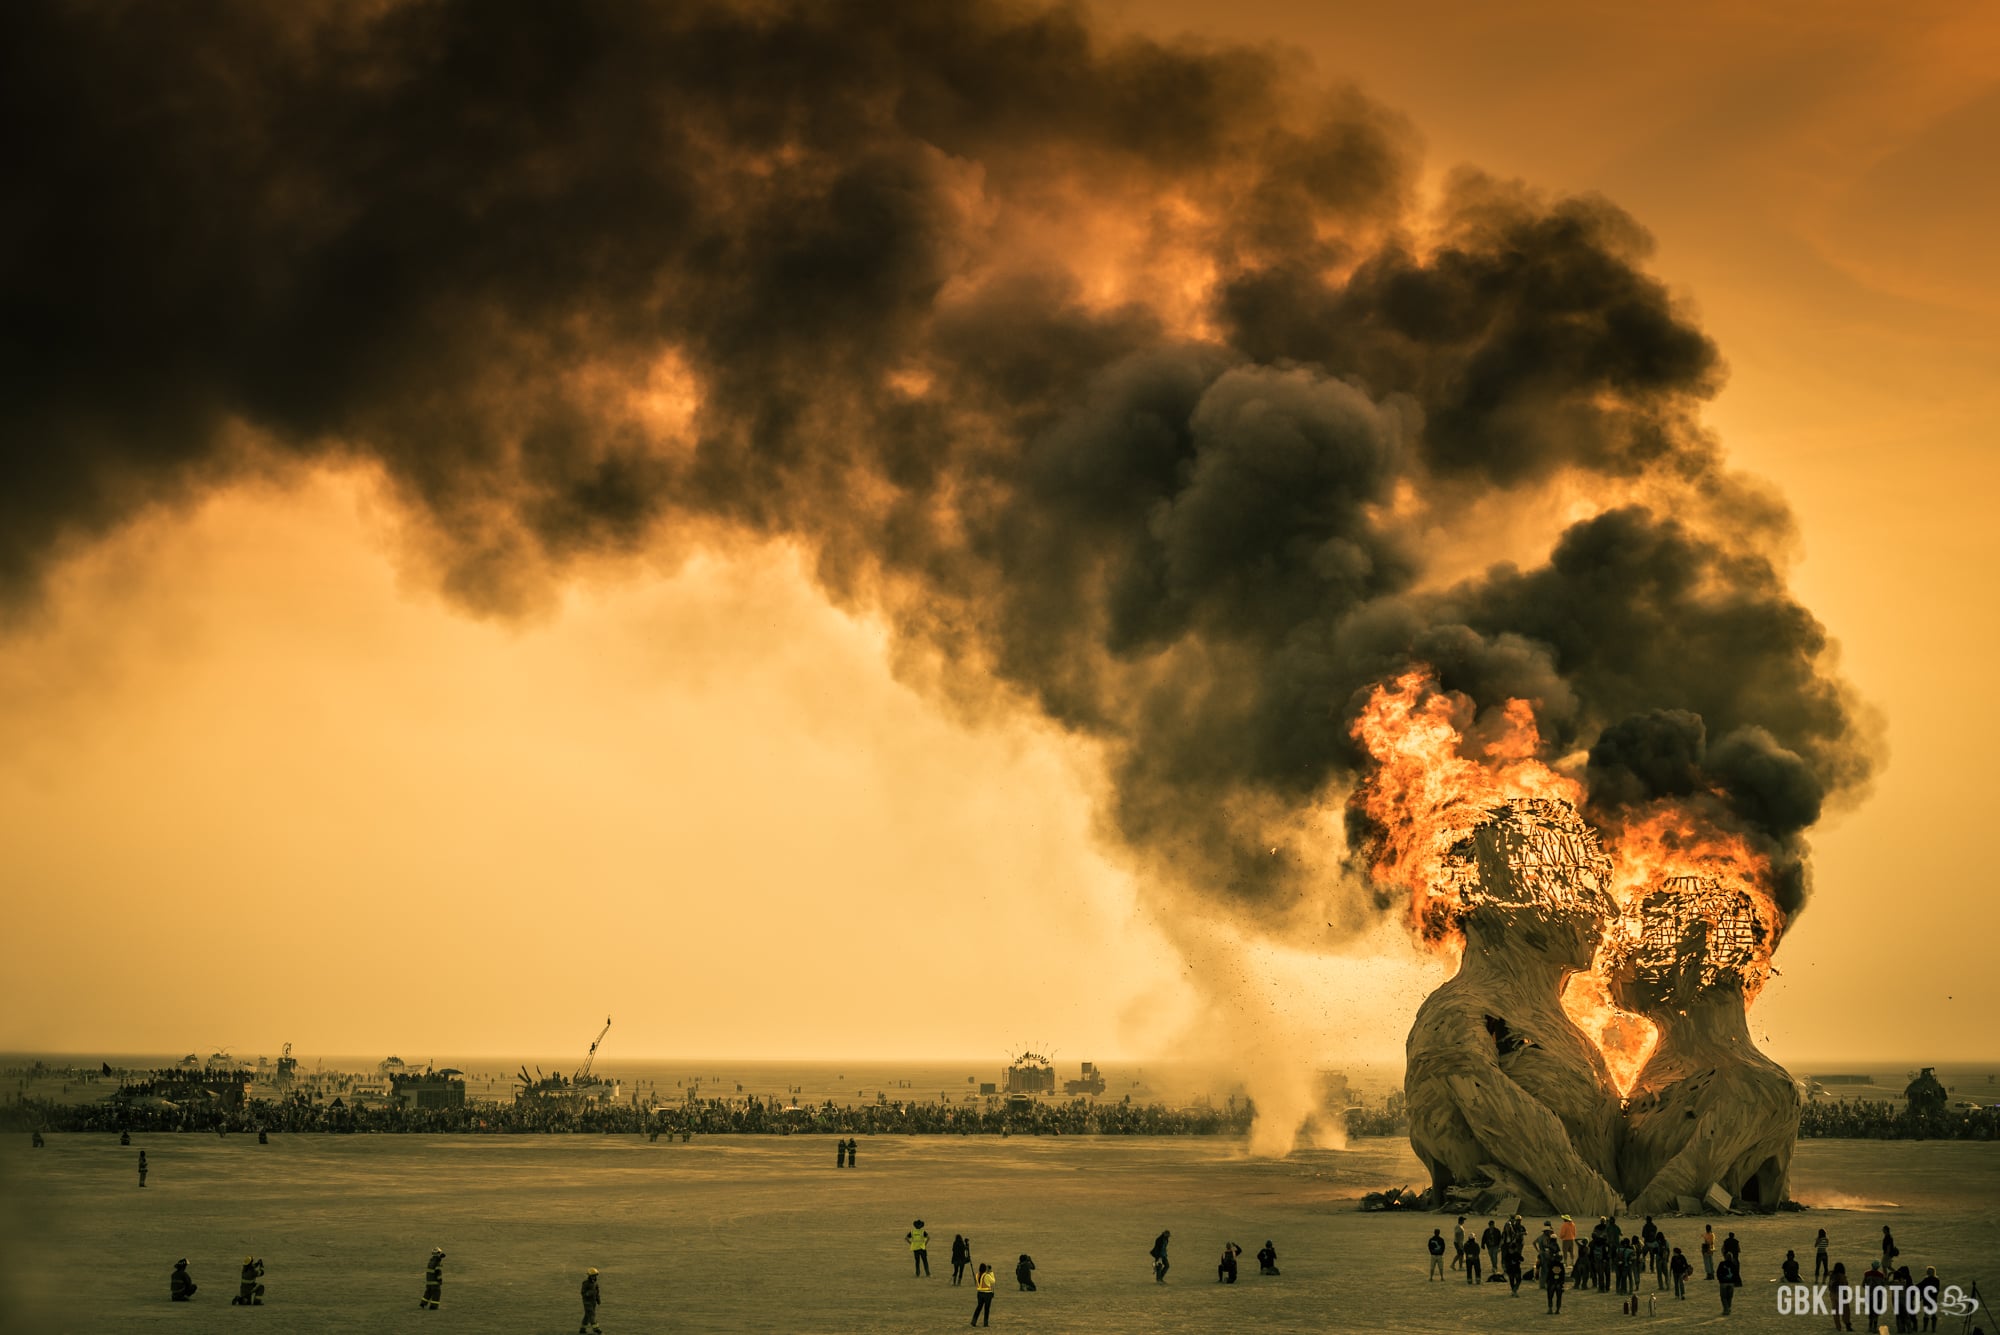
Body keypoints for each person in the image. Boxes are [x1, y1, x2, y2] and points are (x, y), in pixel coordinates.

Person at [578, 1267, 602, 1335]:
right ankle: (596, 1328)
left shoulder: (595, 1283)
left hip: (593, 1302)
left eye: (595, 1275)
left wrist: (598, 1299)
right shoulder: (585, 1283)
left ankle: (582, 1329)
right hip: (587, 1303)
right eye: (592, 1275)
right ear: (589, 1276)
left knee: (587, 1316)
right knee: (592, 1315)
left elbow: (597, 1292)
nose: (594, 1277)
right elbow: (583, 1293)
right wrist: (589, 1293)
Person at [1831, 1262, 1853, 1332]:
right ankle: (1847, 1325)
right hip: (1840, 1294)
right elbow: (1845, 1285)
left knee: (1836, 1311)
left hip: (1832, 1294)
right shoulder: (1841, 1276)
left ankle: (1838, 1327)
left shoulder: (1832, 1276)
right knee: (1846, 1311)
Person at [1919, 1267, 1941, 1333]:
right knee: (1928, 1314)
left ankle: (1929, 1329)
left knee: (1931, 1314)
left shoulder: (1928, 1280)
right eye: (1928, 1271)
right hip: (1930, 1298)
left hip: (1930, 1298)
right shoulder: (1931, 1280)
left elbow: (1920, 1287)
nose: (1928, 1272)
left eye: (1929, 1271)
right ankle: (1930, 1329)